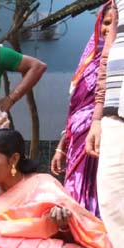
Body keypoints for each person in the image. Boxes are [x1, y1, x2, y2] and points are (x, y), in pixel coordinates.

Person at [75, 0, 124, 248]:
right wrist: (98, 119)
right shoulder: (117, 4)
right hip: (116, 116)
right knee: (115, 207)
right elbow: (107, 61)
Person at [50, 4, 113, 217]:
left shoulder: (117, 63)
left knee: (103, 197)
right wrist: (62, 146)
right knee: (75, 197)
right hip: (78, 140)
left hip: (105, 139)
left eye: (115, 23)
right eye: (106, 22)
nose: (108, 28)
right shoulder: (88, 59)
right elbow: (75, 108)